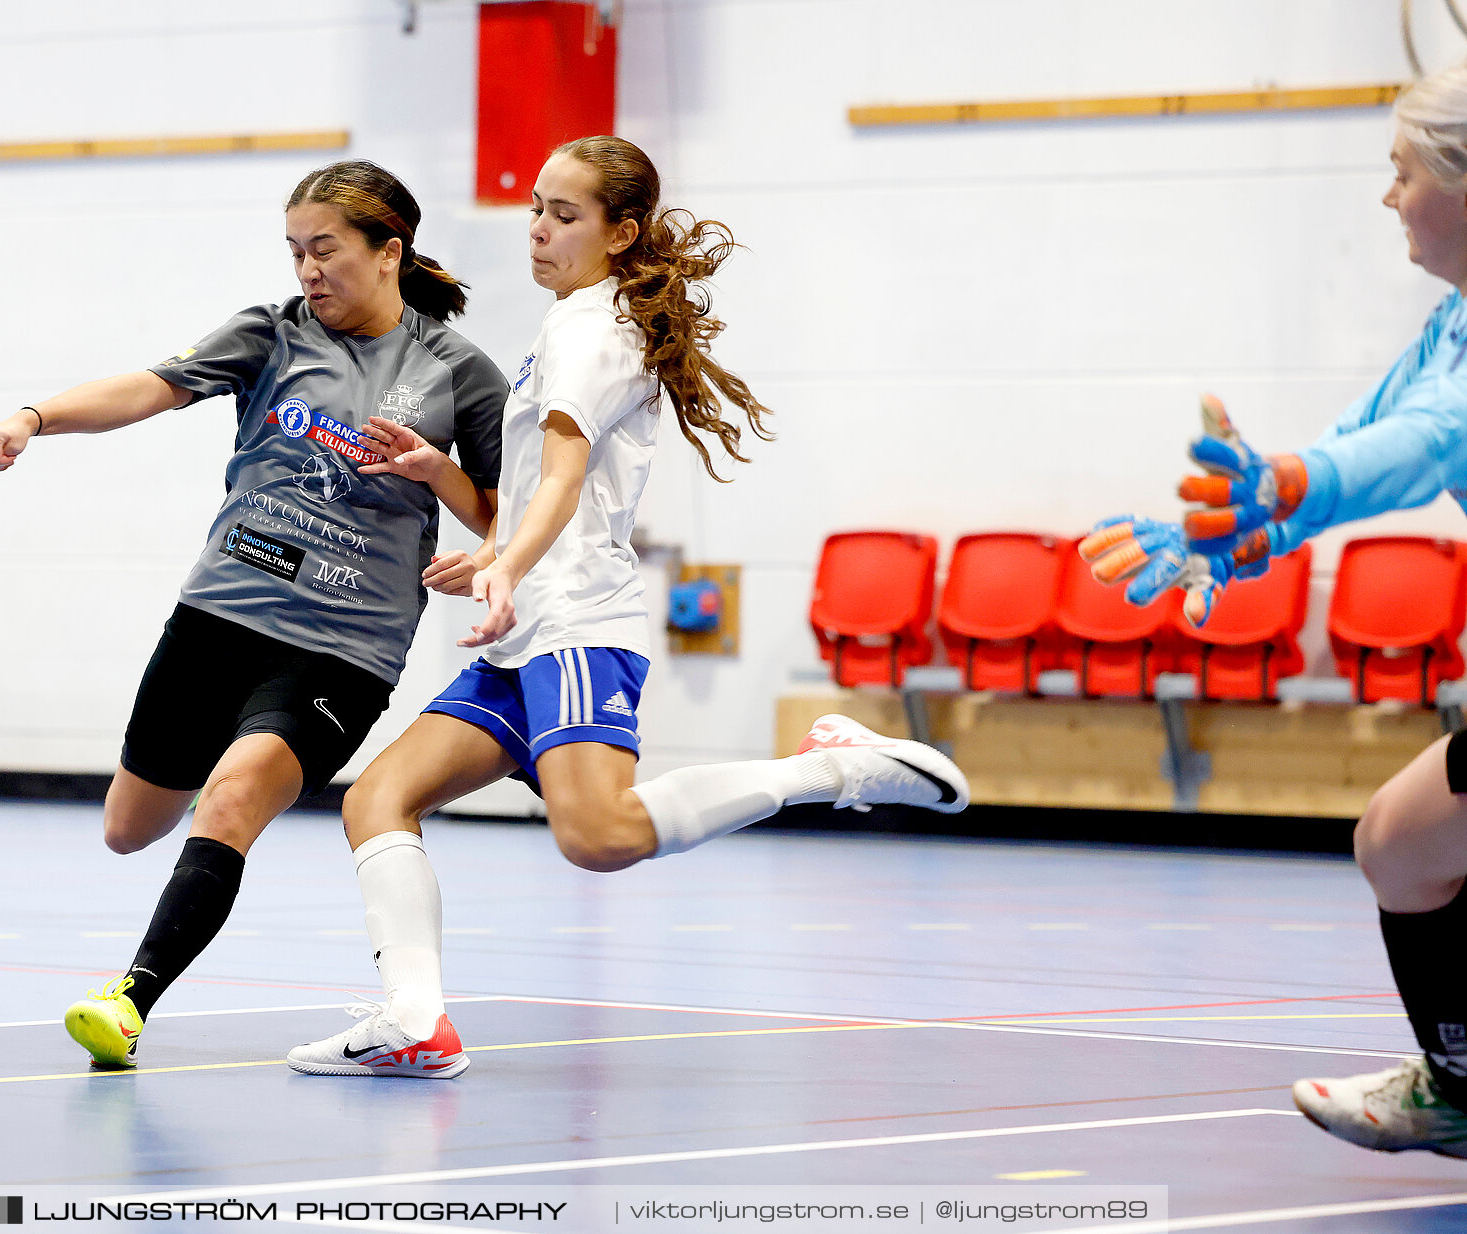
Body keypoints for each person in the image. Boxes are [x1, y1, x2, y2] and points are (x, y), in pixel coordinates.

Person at [281, 136, 969, 1079]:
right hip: (528, 632)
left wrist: (507, 565)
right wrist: (460, 498)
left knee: (599, 838)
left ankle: (829, 771)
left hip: (576, 627)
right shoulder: (569, 324)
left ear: (621, 232)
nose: (538, 229)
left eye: (564, 215)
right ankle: (415, 1022)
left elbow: (564, 480)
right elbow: (543, 496)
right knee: (377, 799)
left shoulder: (591, 332)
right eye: (535, 207)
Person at [0, 161, 507, 1069]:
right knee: (128, 828)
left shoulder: (458, 371)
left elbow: (500, 514)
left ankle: (130, 1001)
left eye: (326, 250)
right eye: (296, 251)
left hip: (344, 647)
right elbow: (149, 387)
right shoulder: (272, 334)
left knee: (233, 797)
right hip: (219, 615)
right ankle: (168, 897)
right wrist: (34, 417)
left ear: (390, 253)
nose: (309, 270)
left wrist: (434, 475)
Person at [1081, 61, 1467, 1158]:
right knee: (1402, 844)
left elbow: (1434, 438)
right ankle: (1459, 1083)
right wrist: (1237, 532)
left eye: (1401, 172)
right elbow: (1369, 434)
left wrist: (1294, 483)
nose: (1387, 197)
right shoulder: (1449, 327)